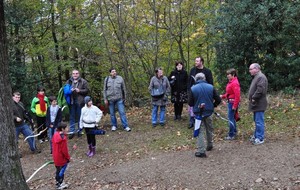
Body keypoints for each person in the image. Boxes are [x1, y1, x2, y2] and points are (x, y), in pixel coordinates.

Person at [188, 73, 221, 158]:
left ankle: (201, 150)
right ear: (204, 78)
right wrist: (213, 105)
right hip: (209, 111)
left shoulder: (193, 89)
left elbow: (190, 103)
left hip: (198, 113)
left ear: (196, 79)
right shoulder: (211, 87)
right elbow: (218, 99)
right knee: (209, 128)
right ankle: (210, 144)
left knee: (199, 130)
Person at [188, 56, 214, 129]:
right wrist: (189, 91)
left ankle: (205, 120)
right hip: (194, 91)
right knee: (192, 106)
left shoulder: (207, 71)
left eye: (197, 61)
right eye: (195, 61)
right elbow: (189, 81)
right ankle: (192, 120)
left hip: (204, 92)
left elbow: (211, 82)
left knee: (204, 106)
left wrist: (210, 92)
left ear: (201, 62)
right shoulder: (192, 70)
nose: (195, 62)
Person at [12, 92, 41, 156]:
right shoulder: (10, 105)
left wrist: (29, 119)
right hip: (14, 126)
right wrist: (15, 118)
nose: (17, 99)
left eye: (19, 97)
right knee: (15, 140)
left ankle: (33, 149)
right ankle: (16, 153)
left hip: (23, 124)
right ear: (13, 97)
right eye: (16, 97)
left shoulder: (20, 104)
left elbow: (24, 113)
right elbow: (9, 115)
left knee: (31, 135)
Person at [248, 63, 268, 145]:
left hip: (259, 103)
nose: (250, 71)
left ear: (256, 69)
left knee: (259, 121)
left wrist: (253, 98)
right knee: (256, 121)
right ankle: (256, 135)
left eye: (251, 69)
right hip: (256, 103)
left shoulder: (261, 77)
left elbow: (260, 90)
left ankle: (260, 138)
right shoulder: (256, 77)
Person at [66, 69, 89, 139]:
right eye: (73, 73)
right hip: (71, 101)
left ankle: (79, 130)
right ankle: (72, 132)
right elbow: (66, 90)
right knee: (72, 116)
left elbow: (87, 90)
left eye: (76, 73)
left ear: (79, 74)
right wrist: (70, 91)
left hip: (80, 101)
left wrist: (80, 91)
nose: (75, 75)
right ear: (72, 74)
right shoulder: (69, 81)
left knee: (80, 116)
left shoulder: (83, 81)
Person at [220, 68, 241, 140]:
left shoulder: (235, 83)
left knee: (230, 119)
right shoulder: (231, 82)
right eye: (227, 74)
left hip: (233, 103)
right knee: (232, 118)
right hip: (231, 102)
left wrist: (235, 106)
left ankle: (231, 134)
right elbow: (228, 93)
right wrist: (223, 96)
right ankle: (234, 132)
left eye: (229, 74)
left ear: (233, 74)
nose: (227, 76)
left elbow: (237, 95)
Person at [52, 122, 70, 189]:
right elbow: (64, 150)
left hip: (56, 157)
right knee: (61, 171)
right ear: (62, 129)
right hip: (61, 158)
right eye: (66, 128)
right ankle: (60, 184)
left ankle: (58, 183)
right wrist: (67, 158)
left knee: (58, 170)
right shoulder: (63, 139)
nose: (68, 129)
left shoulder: (55, 135)